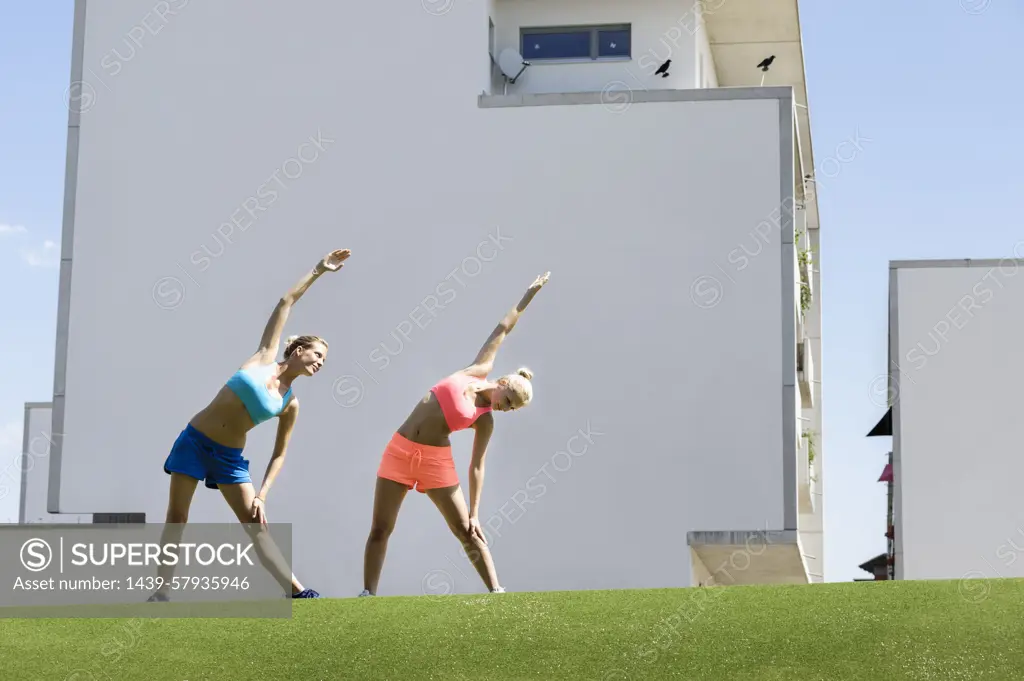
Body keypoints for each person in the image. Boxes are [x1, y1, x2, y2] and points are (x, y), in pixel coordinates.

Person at [148, 249, 351, 602]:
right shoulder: (263, 357)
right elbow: (286, 301)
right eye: (317, 354)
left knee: (256, 526)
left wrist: (262, 494)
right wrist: (320, 269)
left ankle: (298, 593)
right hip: (194, 442)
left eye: (324, 360)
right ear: (299, 349)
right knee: (177, 517)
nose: (321, 362)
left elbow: (279, 455)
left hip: (229, 458)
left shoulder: (291, 403)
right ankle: (161, 591)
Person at [360, 272, 551, 597]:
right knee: (381, 528)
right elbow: (503, 328)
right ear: (502, 384)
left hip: (436, 463)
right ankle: (368, 595)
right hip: (400, 452)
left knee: (466, 530)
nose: (506, 409)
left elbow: (477, 466)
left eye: (512, 409)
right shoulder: (476, 370)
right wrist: (528, 296)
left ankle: (496, 590)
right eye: (508, 402)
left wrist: (476, 511)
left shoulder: (485, 420)